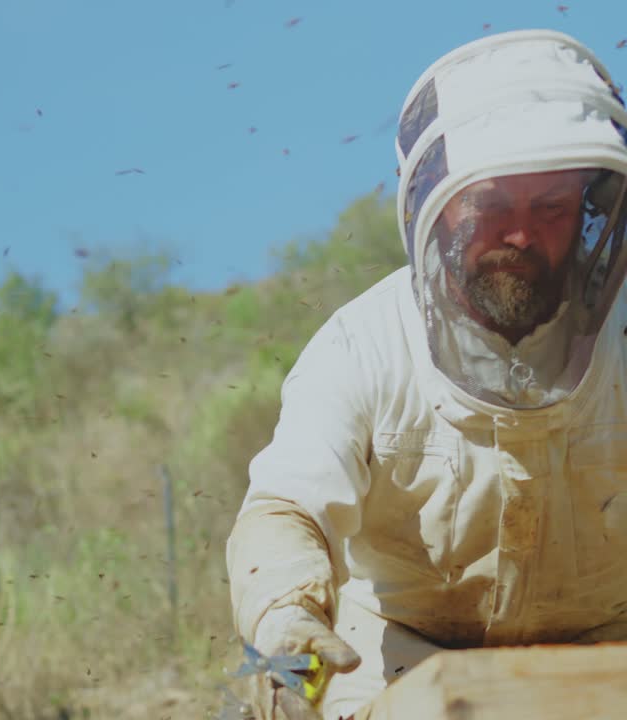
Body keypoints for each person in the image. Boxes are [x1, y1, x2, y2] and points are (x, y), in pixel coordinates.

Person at [223, 29, 627, 720]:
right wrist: (287, 630)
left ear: (592, 211)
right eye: (494, 205)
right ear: (438, 212)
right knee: (285, 698)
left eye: (551, 208)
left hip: (609, 645)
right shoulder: (361, 346)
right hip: (396, 651)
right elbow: (287, 508)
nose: (522, 235)